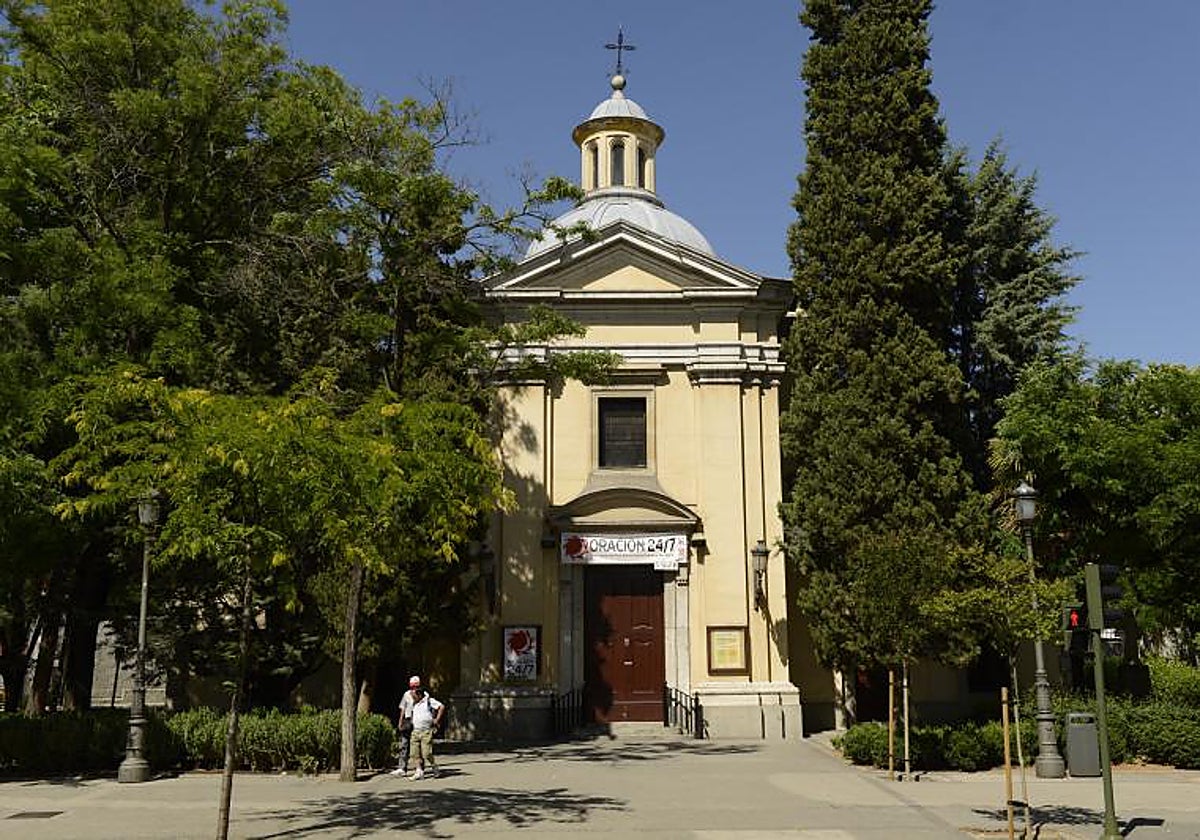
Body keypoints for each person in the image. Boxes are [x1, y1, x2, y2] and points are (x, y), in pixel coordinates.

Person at [407, 681, 445, 780]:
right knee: (414, 753)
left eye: (414, 695)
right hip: (415, 731)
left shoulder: (429, 701)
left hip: (426, 731)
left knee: (427, 753)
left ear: (419, 695)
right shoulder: (414, 703)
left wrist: (437, 719)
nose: (412, 697)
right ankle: (419, 771)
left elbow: (441, 707)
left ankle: (434, 766)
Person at [390, 675, 421, 777]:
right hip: (408, 720)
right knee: (404, 744)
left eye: (416, 686)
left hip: (418, 721)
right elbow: (403, 708)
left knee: (417, 745)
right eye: (412, 687)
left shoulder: (423, 695)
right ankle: (402, 768)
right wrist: (400, 721)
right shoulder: (406, 694)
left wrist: (416, 697)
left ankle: (419, 768)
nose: (414, 689)